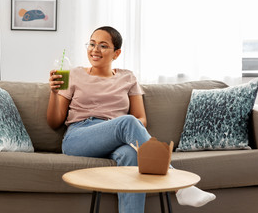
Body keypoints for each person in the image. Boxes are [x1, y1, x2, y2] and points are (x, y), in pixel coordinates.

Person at [47, 26, 215, 213]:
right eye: (92, 44)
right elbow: (54, 122)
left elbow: (141, 118)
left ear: (116, 53)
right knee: (127, 121)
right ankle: (180, 186)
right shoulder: (75, 74)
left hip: (116, 138)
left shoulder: (127, 77)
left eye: (103, 46)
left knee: (131, 154)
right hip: (79, 136)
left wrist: (118, 129)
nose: (95, 50)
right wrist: (54, 93)